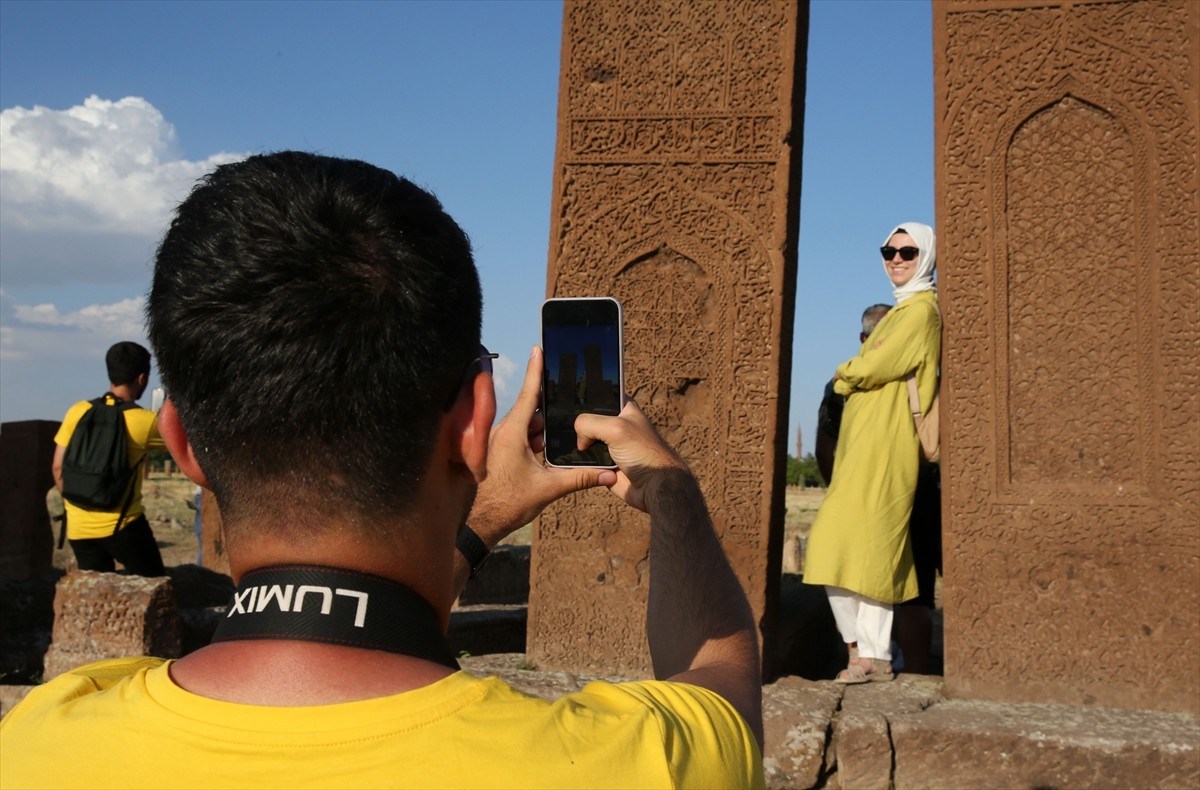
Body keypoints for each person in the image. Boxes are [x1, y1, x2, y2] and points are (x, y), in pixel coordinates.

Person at [0, 152, 763, 789]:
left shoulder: (36, 738)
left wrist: (478, 518)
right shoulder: (629, 764)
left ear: (184, 444)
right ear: (474, 421)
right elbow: (725, 681)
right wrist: (675, 500)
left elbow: (355, 618)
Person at [803, 222, 941, 684]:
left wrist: (846, 370)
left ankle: (877, 655)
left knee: (877, 548)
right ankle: (860, 650)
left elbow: (874, 366)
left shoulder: (921, 311)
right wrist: (858, 372)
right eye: (889, 251)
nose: (896, 259)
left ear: (925, 256)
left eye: (907, 251)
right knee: (830, 546)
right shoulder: (902, 313)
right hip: (860, 452)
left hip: (890, 446)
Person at [50, 341, 166, 577]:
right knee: (155, 584)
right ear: (142, 378)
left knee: (95, 597)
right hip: (124, 525)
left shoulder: (78, 411)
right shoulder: (144, 422)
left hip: (79, 527)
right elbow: (183, 444)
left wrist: (80, 506)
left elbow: (57, 467)